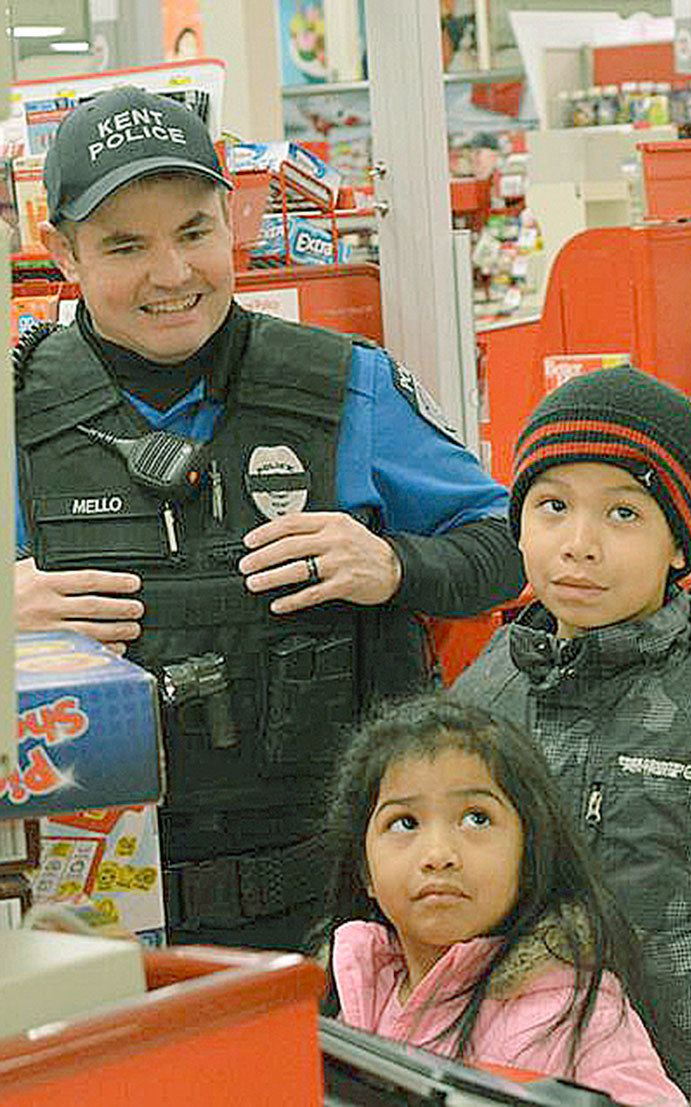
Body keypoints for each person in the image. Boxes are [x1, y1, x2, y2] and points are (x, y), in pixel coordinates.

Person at [15, 86, 525, 951]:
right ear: (63, 251)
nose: (172, 273)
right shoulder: (16, 411)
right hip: (82, 926)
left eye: (194, 232)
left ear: (232, 221)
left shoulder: (345, 385)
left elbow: (511, 544)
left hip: (333, 926)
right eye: (126, 245)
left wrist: (394, 564)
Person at [452, 367, 691, 1107]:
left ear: (680, 545)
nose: (579, 544)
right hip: (519, 1075)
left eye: (624, 513)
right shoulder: (482, 692)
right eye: (552, 505)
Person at [315, 696, 685, 1106]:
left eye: (477, 817)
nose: (438, 854)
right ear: (365, 871)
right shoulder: (352, 990)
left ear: (530, 854)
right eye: (405, 823)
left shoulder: (578, 1012)